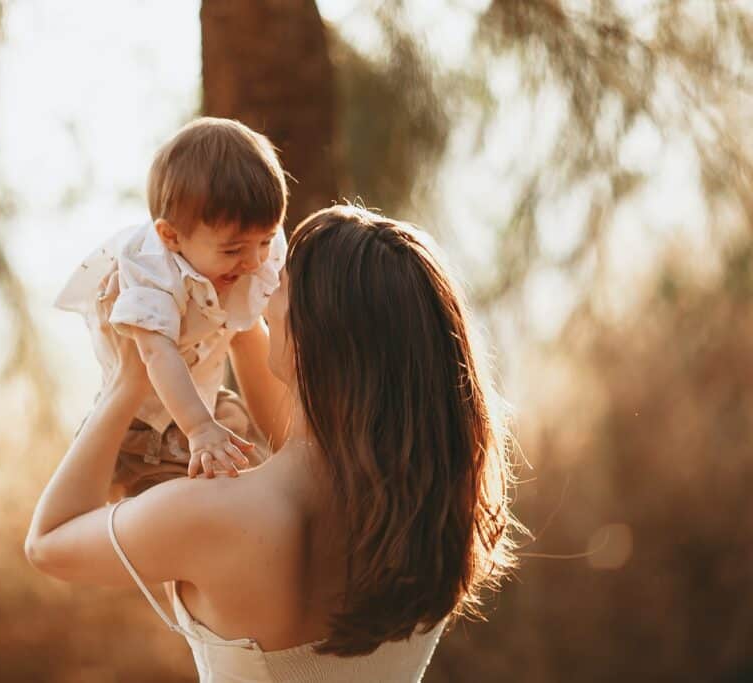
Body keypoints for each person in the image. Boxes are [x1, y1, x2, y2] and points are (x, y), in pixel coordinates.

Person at [26, 205, 520, 682]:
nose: (265, 289)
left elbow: (49, 543)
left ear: (315, 335)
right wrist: (238, 331)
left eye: (282, 282)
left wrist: (127, 381)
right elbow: (297, 441)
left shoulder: (217, 515)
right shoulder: (436, 511)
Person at [54, 117, 289, 493]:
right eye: (233, 250)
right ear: (171, 236)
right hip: (143, 430)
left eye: (266, 240)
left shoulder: (250, 251)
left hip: (203, 403)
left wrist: (288, 441)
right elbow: (156, 355)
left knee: (262, 477)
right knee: (174, 506)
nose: (255, 261)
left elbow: (249, 338)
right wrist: (198, 428)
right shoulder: (149, 268)